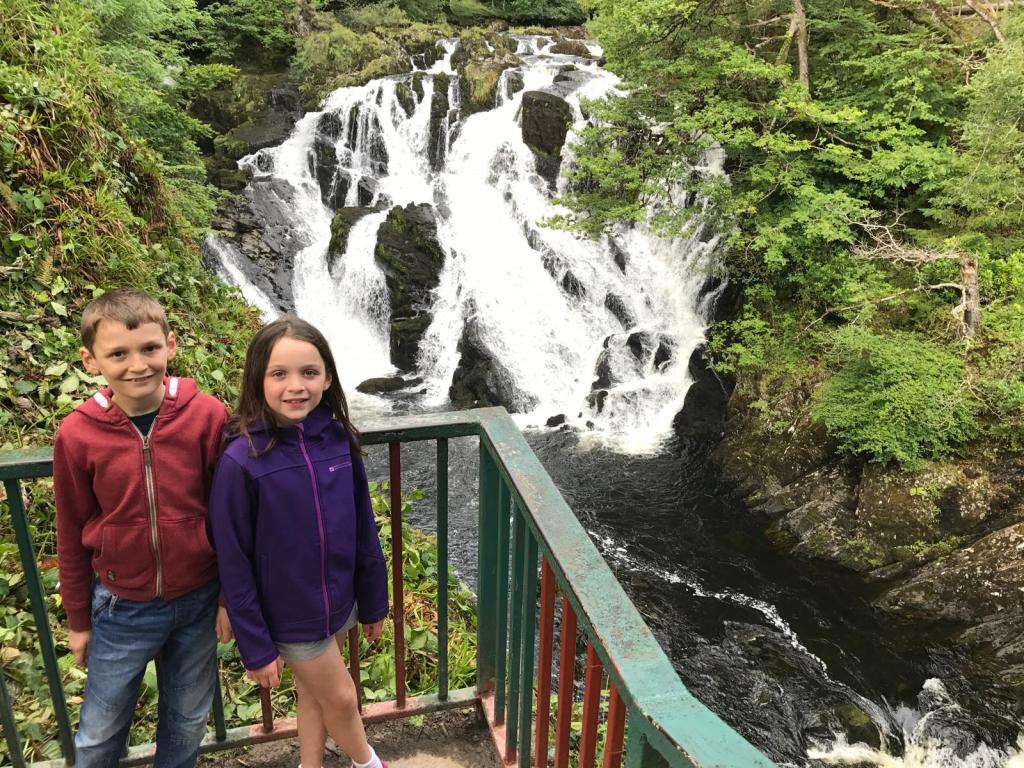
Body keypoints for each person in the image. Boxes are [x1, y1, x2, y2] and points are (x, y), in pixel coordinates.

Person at [53, 289, 233, 768]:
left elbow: (230, 518)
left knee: (187, 720)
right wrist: (78, 621)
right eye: (118, 354)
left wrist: (227, 597)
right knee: (99, 732)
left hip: (199, 599)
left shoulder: (207, 416)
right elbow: (70, 530)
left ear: (170, 345)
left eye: (150, 348)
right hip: (121, 606)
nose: (137, 365)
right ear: (91, 360)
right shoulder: (77, 434)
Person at [209, 317, 389, 768]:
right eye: (279, 374)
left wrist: (372, 601)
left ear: (327, 378)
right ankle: (370, 764)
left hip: (339, 599)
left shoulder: (339, 440)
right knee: (342, 698)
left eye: (309, 372)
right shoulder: (241, 460)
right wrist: (255, 644)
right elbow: (233, 559)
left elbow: (363, 526)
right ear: (258, 379)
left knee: (316, 696)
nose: (296, 386)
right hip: (289, 614)